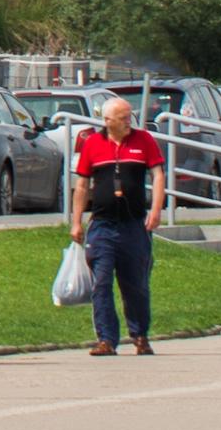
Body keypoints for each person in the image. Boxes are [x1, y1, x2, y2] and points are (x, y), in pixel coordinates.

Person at [66, 86, 164, 358]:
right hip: (103, 225)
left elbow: (157, 175)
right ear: (108, 121)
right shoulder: (93, 144)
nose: (128, 121)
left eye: (129, 116)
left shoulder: (144, 140)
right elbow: (83, 185)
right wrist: (76, 222)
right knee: (101, 282)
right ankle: (106, 339)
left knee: (136, 284)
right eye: (123, 117)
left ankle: (140, 335)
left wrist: (155, 209)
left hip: (134, 225)